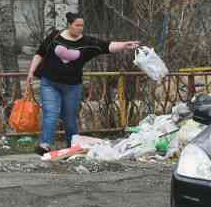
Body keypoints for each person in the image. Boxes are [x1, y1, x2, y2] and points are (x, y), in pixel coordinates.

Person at [26, 12, 140, 155]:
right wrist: (31, 71)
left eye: (82, 25)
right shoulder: (55, 36)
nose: (80, 28)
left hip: (72, 86)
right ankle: (45, 145)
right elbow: (40, 53)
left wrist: (124, 45)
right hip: (50, 83)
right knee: (51, 113)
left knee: (70, 118)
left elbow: (107, 46)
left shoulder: (87, 43)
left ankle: (72, 147)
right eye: (77, 25)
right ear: (69, 25)